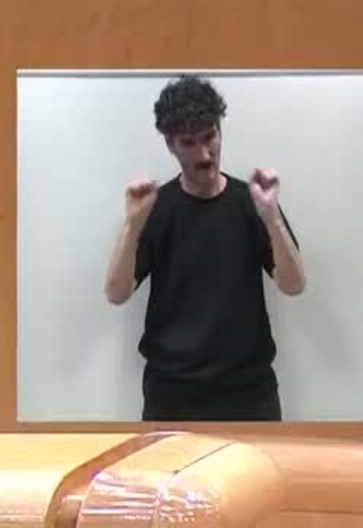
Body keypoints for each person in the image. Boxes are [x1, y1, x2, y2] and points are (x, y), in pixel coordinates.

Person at [103, 75, 307, 421]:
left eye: (210, 137)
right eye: (189, 142)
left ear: (220, 131)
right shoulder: (156, 207)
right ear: (170, 145)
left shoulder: (252, 202)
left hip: (249, 393)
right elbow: (116, 293)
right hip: (172, 393)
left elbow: (294, 284)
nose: (204, 154)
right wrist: (132, 225)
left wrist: (272, 217)